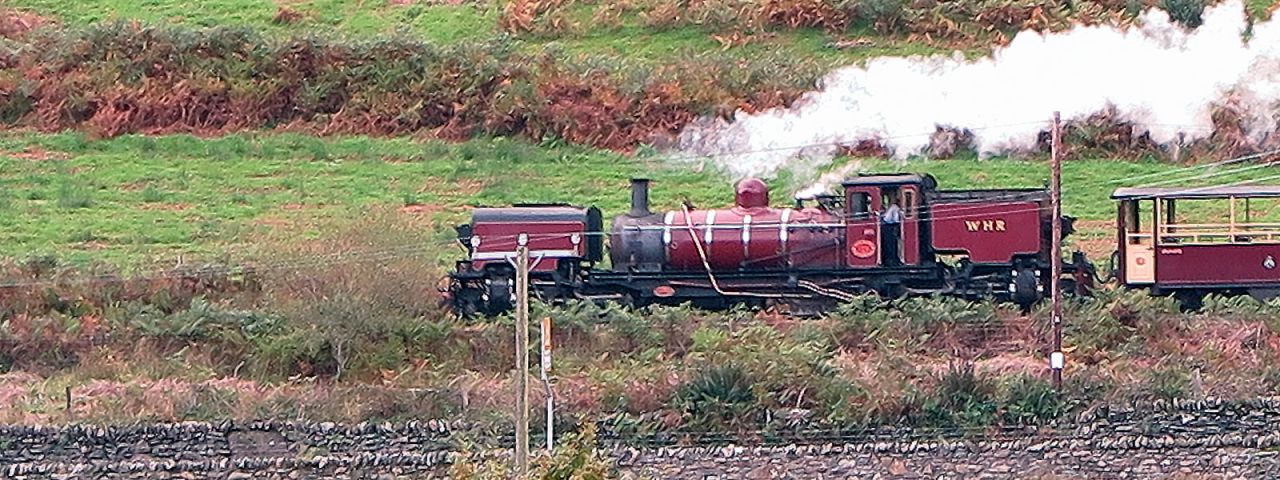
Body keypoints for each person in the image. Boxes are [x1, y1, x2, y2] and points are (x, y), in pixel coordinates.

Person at [881, 196, 902, 266]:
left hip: (886, 225)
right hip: (889, 226)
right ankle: (892, 261)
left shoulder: (893, 207)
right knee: (891, 244)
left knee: (889, 244)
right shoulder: (896, 208)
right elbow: (896, 220)